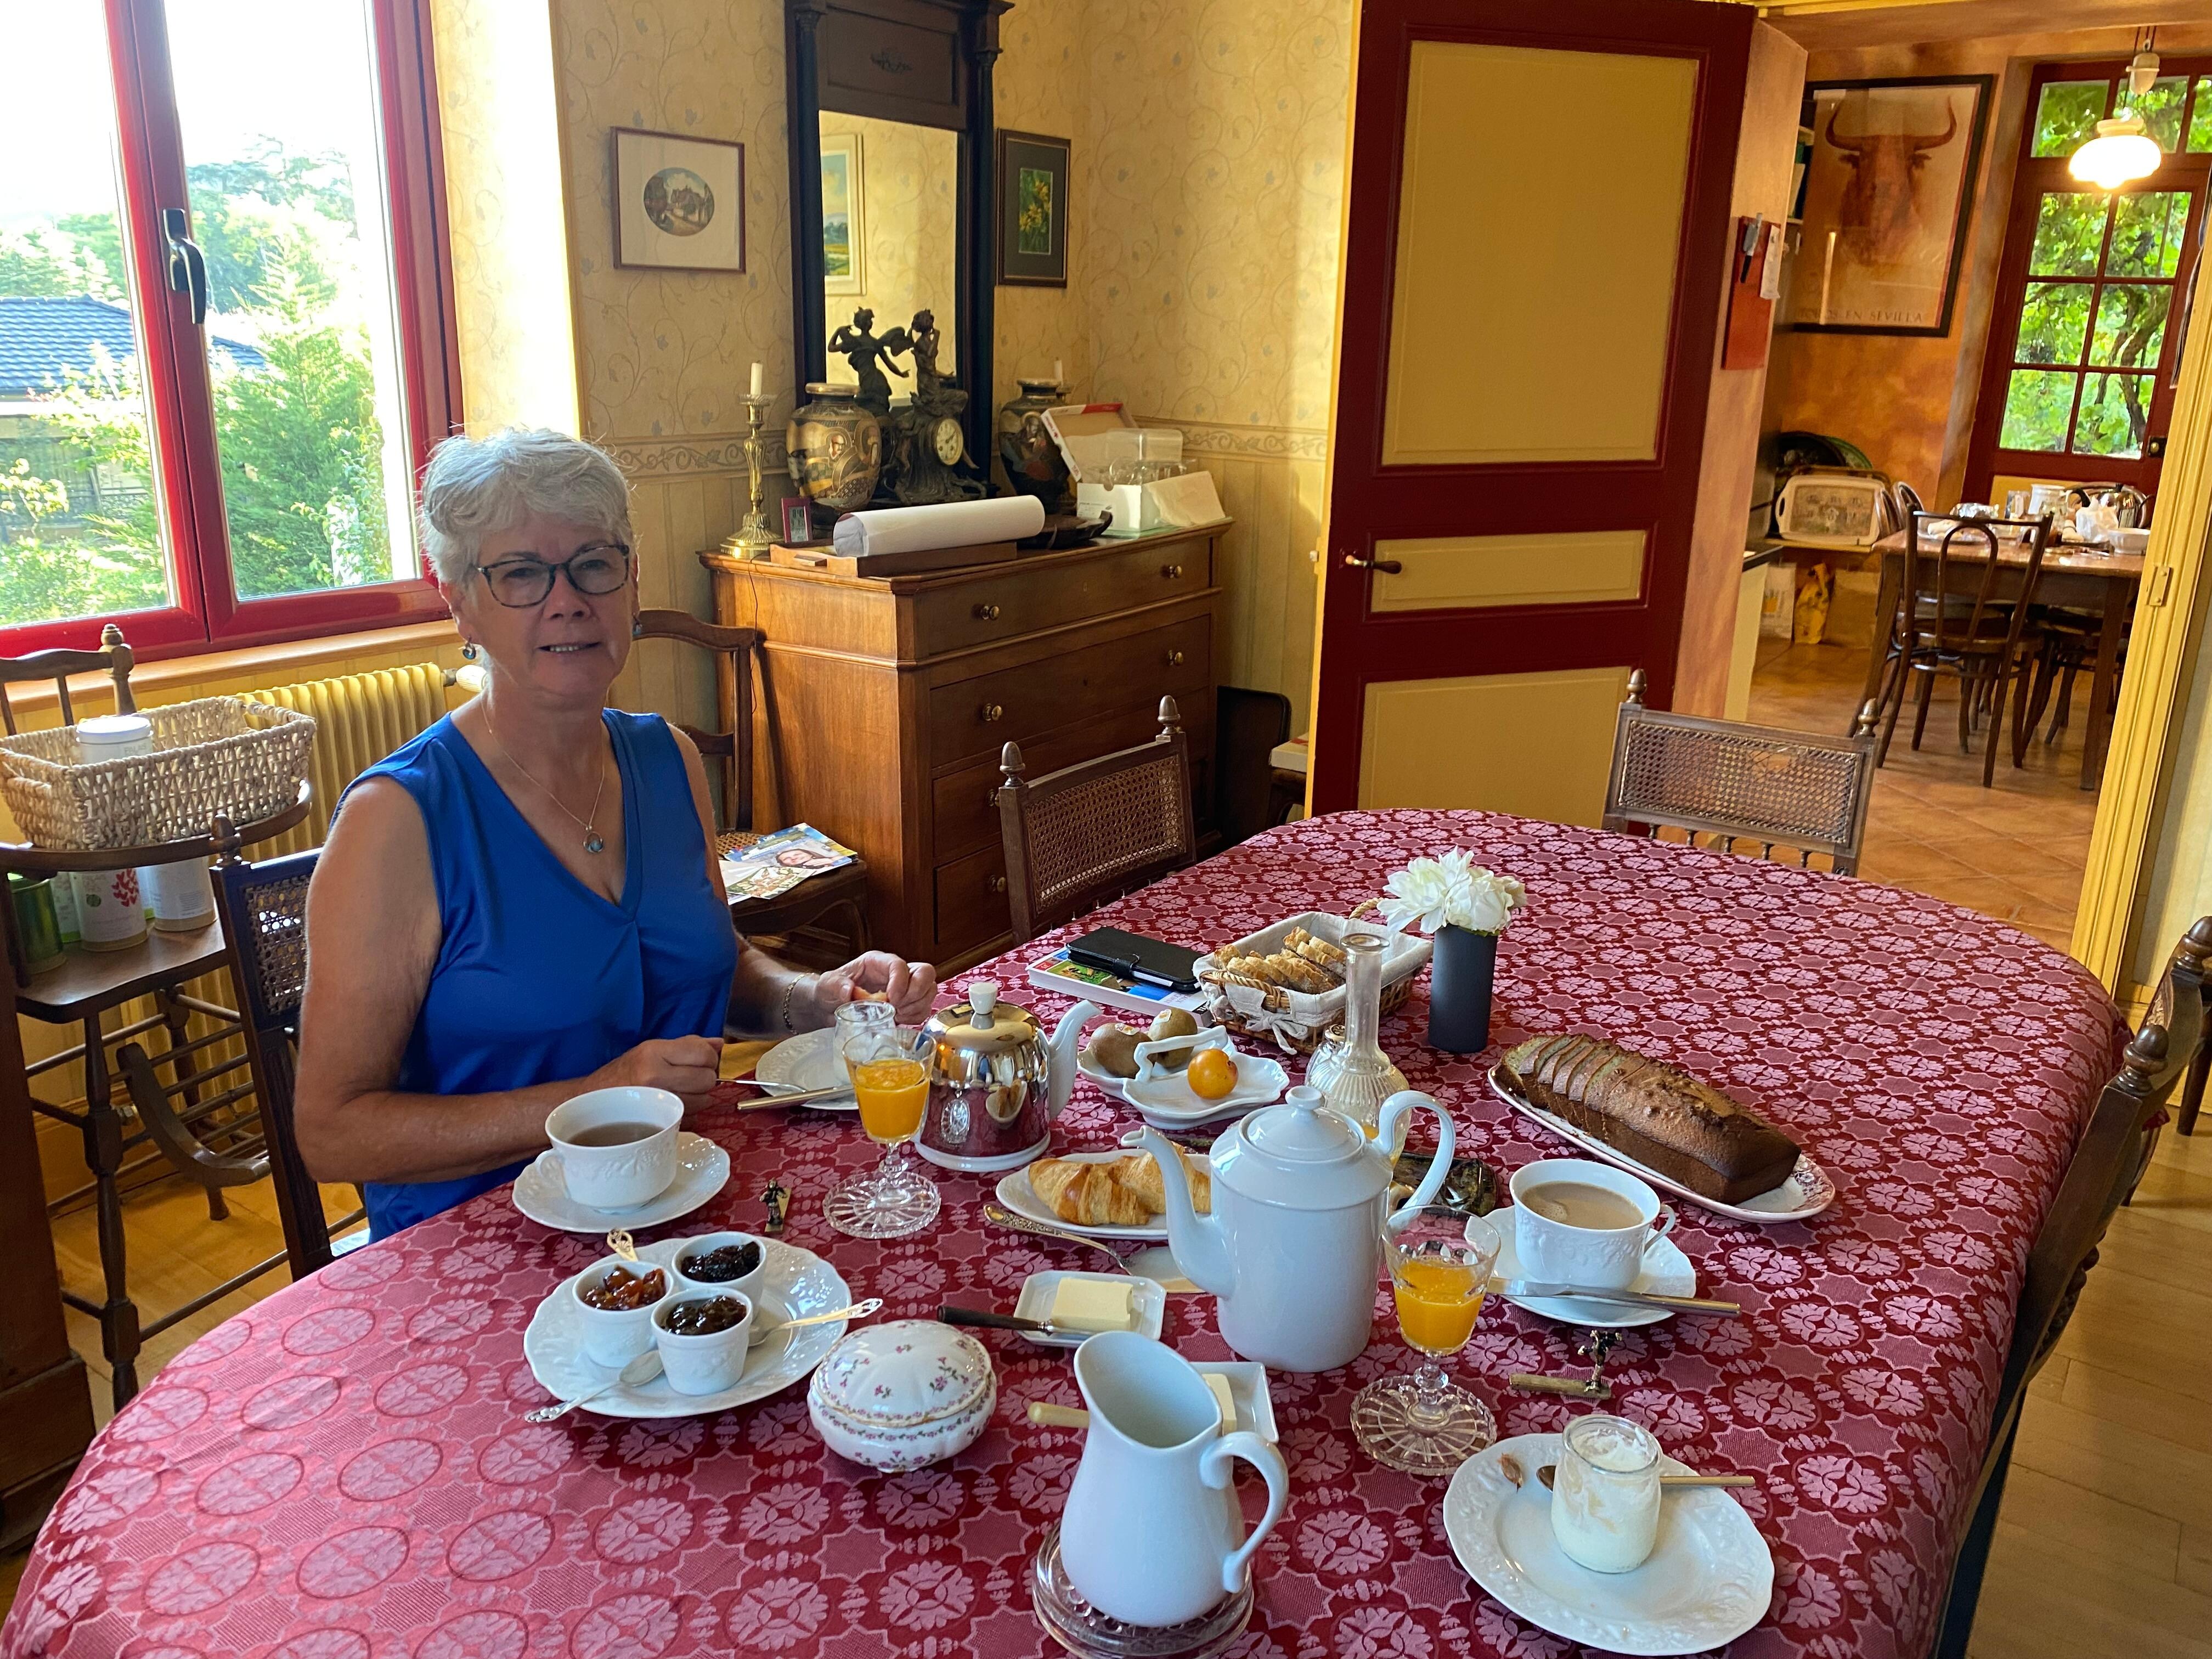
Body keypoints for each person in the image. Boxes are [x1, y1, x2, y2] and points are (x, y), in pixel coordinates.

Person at [294, 427, 936, 1239]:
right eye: (521, 574)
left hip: (681, 1203)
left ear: (632, 584)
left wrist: (813, 999)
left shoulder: (666, 760)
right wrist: (598, 1098)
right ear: (458, 601)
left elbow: (711, 967)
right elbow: (333, 1132)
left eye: (593, 564)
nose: (568, 600)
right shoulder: (397, 822)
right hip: (480, 1245)